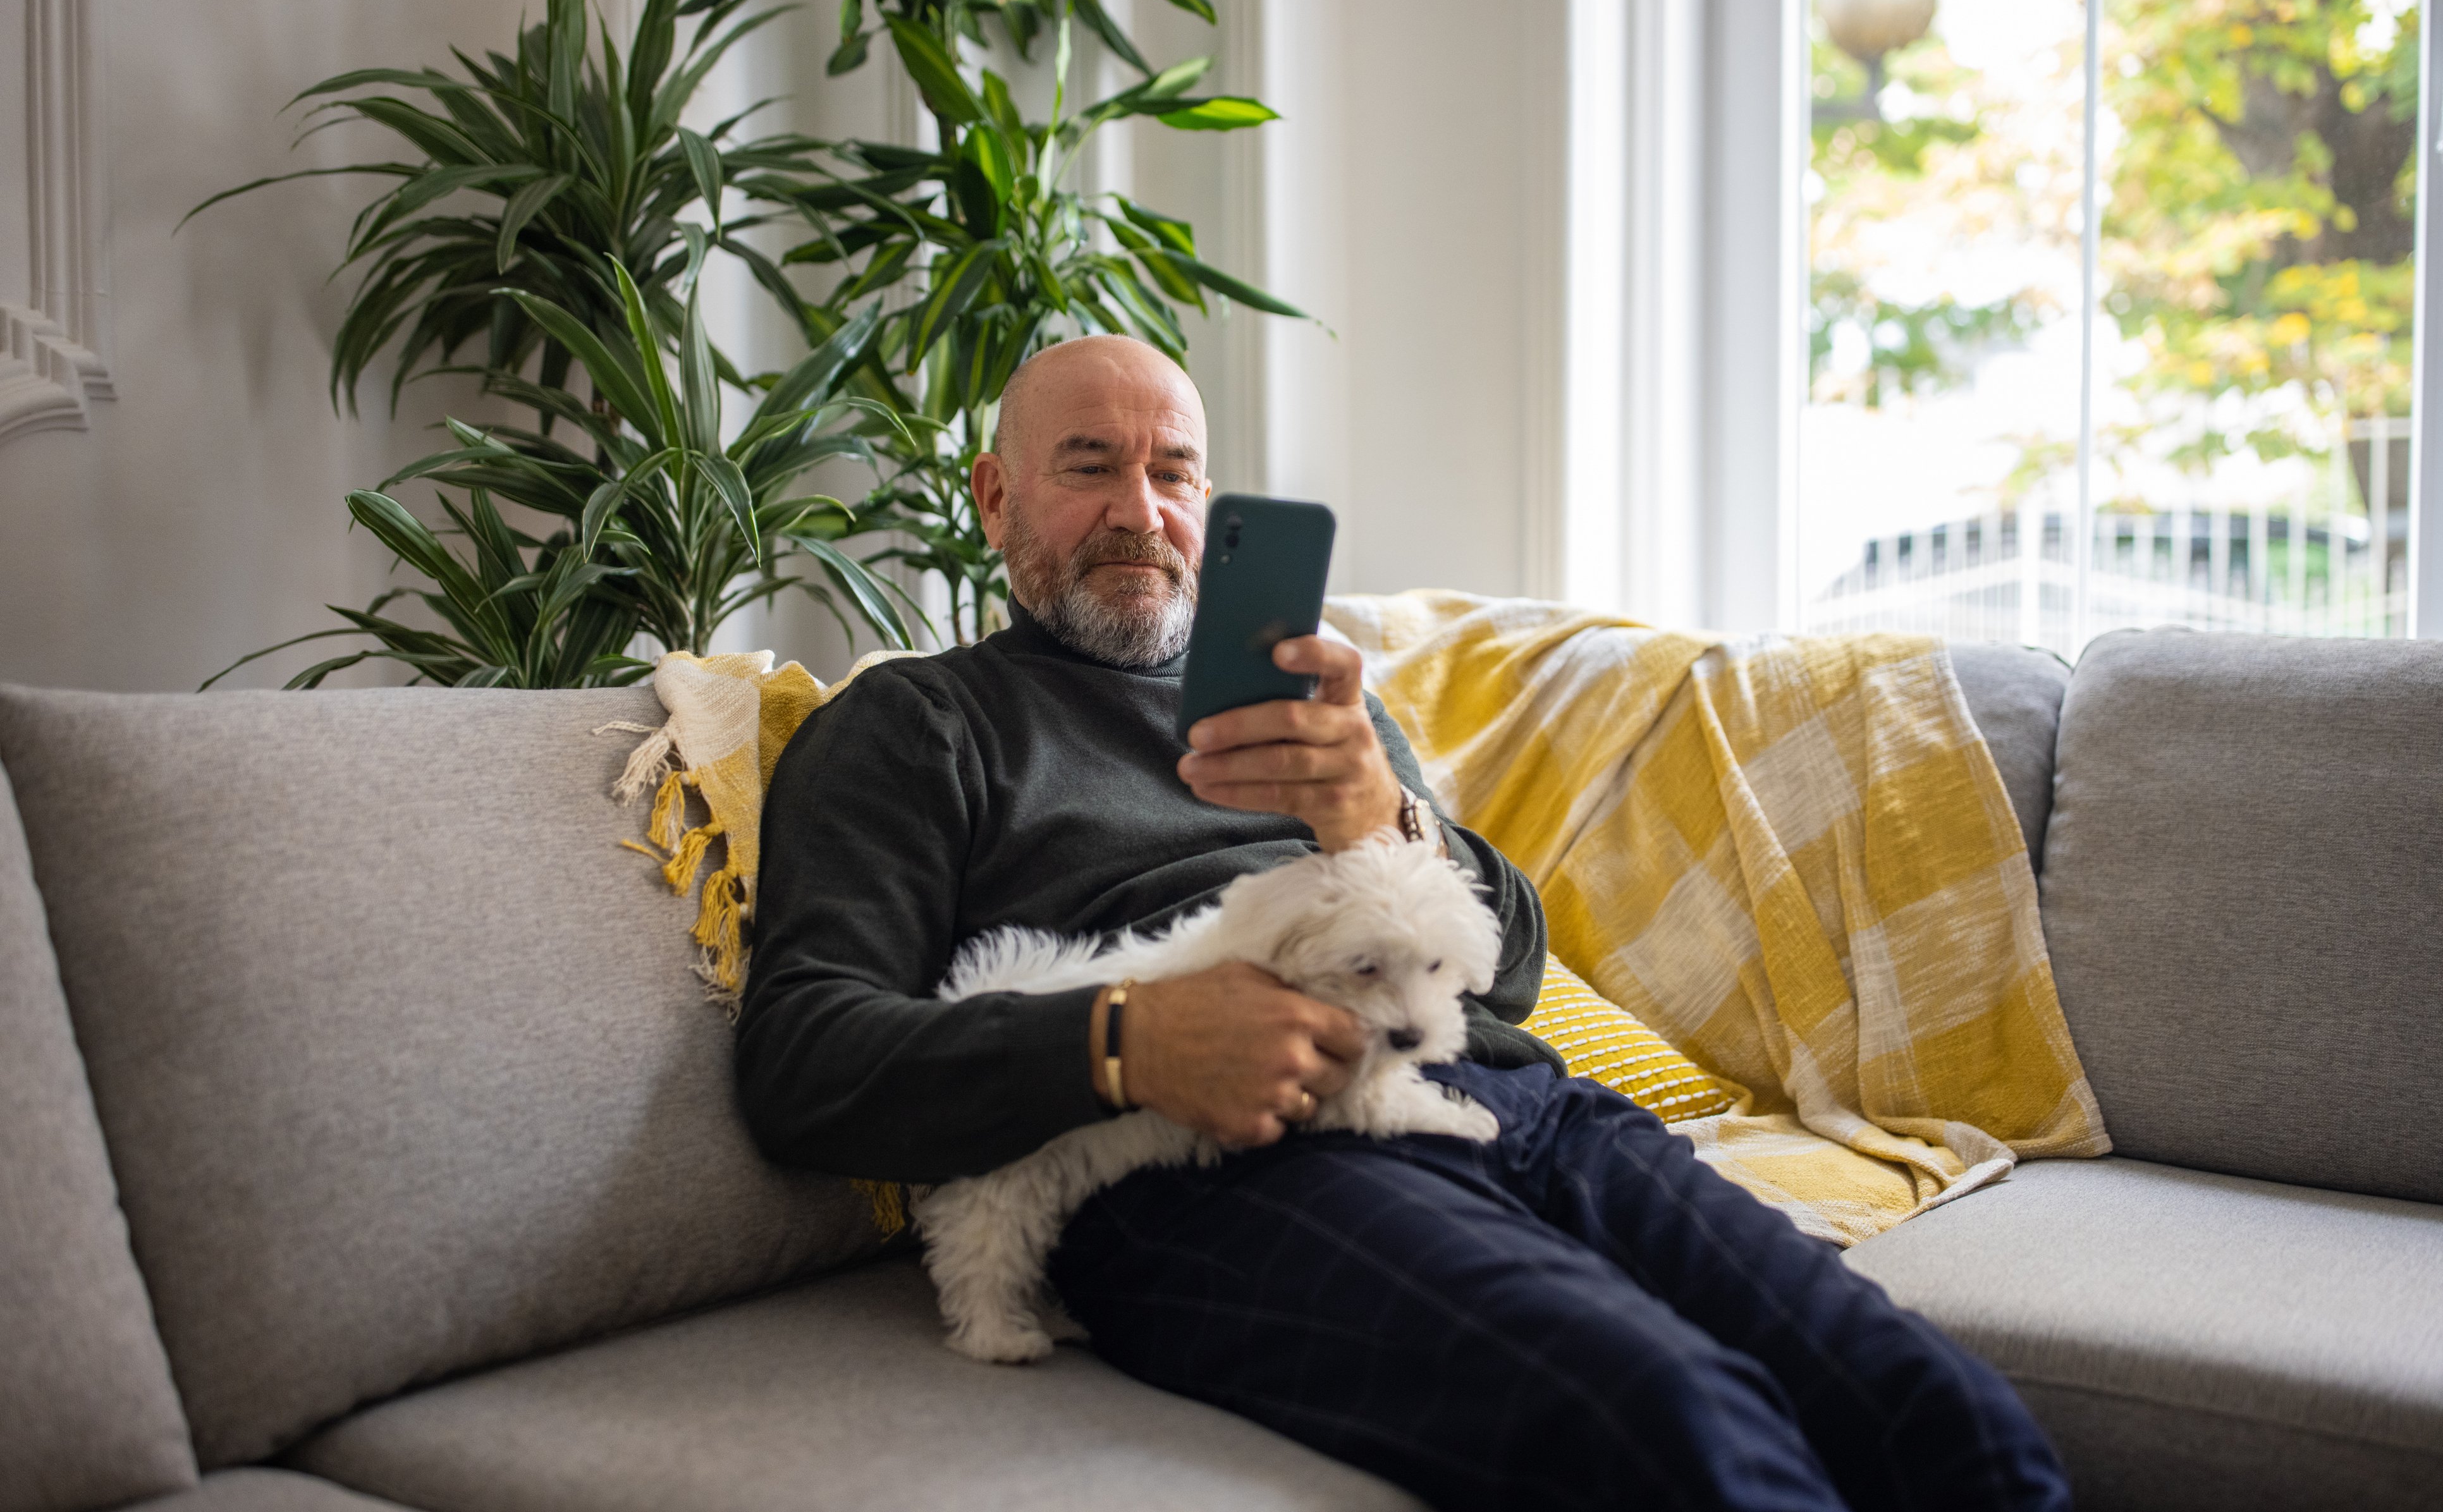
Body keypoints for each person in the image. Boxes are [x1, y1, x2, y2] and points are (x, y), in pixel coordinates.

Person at [737, 335, 2069, 1512]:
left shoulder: (1319, 710)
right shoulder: (920, 725)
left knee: (1943, 1415)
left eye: (1177, 473)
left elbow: (1514, 976)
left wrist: (1388, 818)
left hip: (1518, 1111)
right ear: (995, 495)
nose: (1140, 511)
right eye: (1090, 464)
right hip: (1219, 1175)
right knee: (1672, 1424)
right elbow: (803, 1058)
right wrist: (1126, 1042)